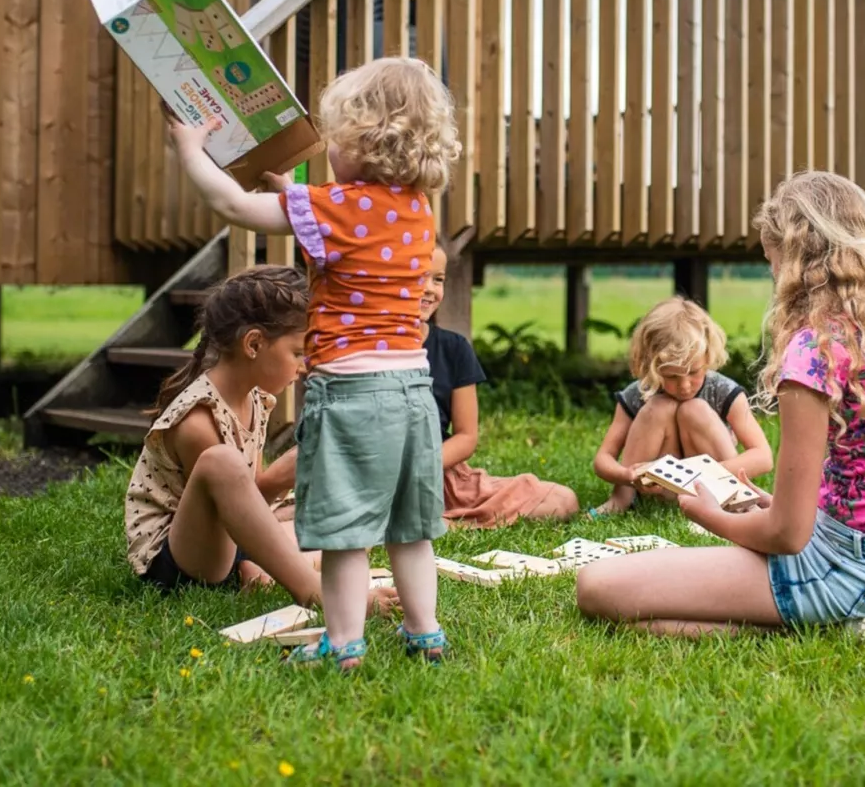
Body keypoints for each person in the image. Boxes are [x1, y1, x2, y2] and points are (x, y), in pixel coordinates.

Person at [576, 171, 865, 638]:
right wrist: (774, 506)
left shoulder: (814, 352)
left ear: (795, 262)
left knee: (596, 587)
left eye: (772, 262)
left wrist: (705, 512)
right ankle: (856, 612)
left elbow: (787, 536)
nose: (773, 276)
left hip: (848, 570)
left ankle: (836, 621)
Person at [168, 56, 459, 672]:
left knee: (346, 531)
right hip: (413, 390)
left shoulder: (334, 210)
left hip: (351, 394)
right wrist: (297, 196)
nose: (329, 153)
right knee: (411, 528)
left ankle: (344, 644)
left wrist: (192, 150)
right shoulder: (416, 211)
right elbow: (351, 226)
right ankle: (425, 633)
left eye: (337, 140)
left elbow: (234, 208)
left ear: (364, 143)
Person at [123, 266, 396, 618]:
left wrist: (291, 479)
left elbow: (250, 504)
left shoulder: (256, 400)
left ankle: (259, 574)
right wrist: (278, 479)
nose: (305, 365)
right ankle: (312, 591)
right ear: (253, 344)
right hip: (180, 561)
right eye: (298, 352)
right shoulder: (198, 421)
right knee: (221, 461)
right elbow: (230, 512)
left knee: (342, 516)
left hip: (230, 545)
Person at [417, 245, 581, 526]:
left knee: (562, 500)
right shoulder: (371, 349)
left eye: (438, 279)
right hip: (382, 477)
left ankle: (454, 524)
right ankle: (425, 525)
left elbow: (466, 436)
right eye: (419, 277)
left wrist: (419, 468)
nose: (430, 289)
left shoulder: (454, 348)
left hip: (437, 471)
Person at [587, 297, 773, 518]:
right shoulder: (638, 393)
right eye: (671, 376)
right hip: (658, 490)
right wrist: (628, 475)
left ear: (707, 357)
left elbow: (763, 457)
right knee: (658, 407)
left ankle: (732, 501)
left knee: (694, 409)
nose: (684, 386)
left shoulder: (722, 389)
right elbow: (602, 460)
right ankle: (620, 501)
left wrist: (700, 474)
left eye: (694, 372)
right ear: (652, 367)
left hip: (711, 488)